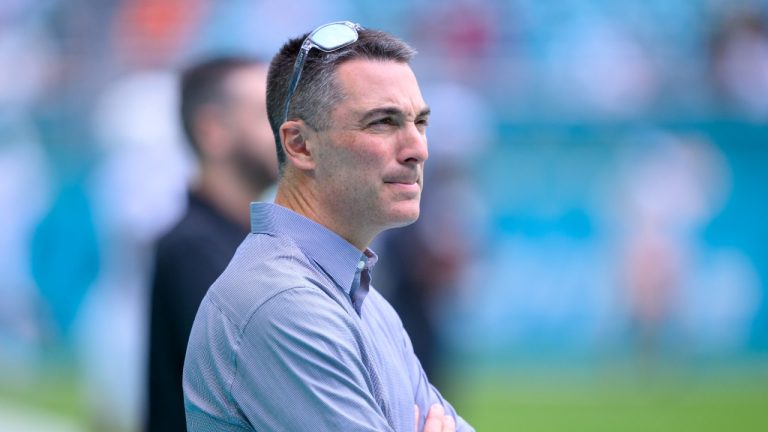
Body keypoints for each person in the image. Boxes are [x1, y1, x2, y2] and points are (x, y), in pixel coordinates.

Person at [183, 22, 474, 431]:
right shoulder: (281, 303)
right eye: (383, 122)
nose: (418, 148)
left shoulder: (364, 300)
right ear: (300, 145)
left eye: (419, 122)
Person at [146, 56, 278, 432]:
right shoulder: (195, 250)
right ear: (211, 129)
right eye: (264, 116)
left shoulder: (240, 241)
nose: (285, 131)